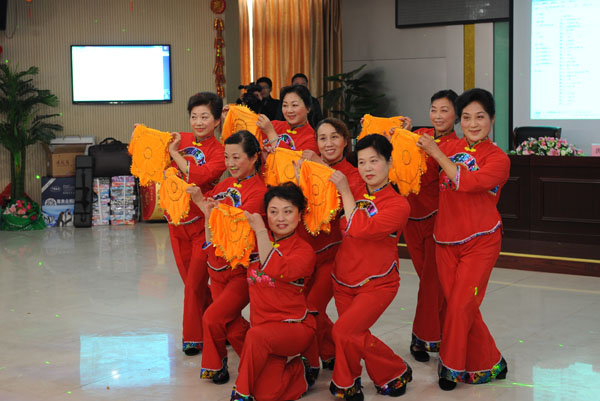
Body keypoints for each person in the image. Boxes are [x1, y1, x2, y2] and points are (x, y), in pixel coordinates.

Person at [416, 88, 509, 390]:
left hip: (481, 241)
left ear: (491, 119)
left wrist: (437, 154)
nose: (472, 124)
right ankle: (492, 361)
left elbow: (468, 182)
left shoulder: (498, 159)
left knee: (458, 307)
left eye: (479, 117)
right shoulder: (451, 146)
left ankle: (451, 369)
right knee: (464, 307)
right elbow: (416, 164)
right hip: (445, 241)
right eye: (466, 117)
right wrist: (398, 134)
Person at [328, 134, 413, 400]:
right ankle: (349, 383)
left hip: (378, 282)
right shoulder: (354, 188)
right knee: (350, 335)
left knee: (343, 331)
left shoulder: (398, 204)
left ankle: (395, 369)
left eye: (374, 161)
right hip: (343, 278)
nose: (367, 168)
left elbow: (361, 228)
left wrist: (345, 192)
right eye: (362, 162)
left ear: (389, 162)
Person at [187, 131, 268, 385]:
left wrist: (205, 207)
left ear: (253, 158)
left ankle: (223, 365)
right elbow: (211, 218)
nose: (230, 163)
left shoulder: (260, 192)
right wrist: (201, 203)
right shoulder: (224, 185)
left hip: (240, 271)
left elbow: (236, 226)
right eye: (226, 157)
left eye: (236, 157)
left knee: (212, 317)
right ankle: (259, 363)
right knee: (231, 325)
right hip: (216, 266)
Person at [230, 182, 317, 401]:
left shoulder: (304, 252)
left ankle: (240, 395)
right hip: (263, 332)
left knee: (255, 337)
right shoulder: (255, 242)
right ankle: (301, 372)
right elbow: (220, 249)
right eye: (273, 212)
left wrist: (260, 230)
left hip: (294, 328)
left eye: (288, 212)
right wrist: (206, 213)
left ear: (300, 215)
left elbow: (276, 268)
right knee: (266, 395)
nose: (280, 218)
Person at [298, 118, 362, 372]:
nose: (328, 143)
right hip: (305, 253)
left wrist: (318, 166)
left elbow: (349, 209)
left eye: (334, 137)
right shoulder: (306, 168)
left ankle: (310, 363)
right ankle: (329, 351)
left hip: (334, 255)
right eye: (322, 138)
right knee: (303, 307)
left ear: (345, 141)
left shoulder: (353, 174)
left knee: (313, 306)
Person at [166, 92, 226, 356]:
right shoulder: (181, 138)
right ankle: (223, 323)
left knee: (193, 284)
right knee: (193, 284)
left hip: (203, 224)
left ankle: (192, 337)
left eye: (205, 117)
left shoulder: (220, 152)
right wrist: (141, 135)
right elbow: (149, 150)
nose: (198, 122)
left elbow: (199, 176)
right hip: (176, 222)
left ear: (216, 121)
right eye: (194, 117)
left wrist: (173, 153)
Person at [405, 89, 459, 363]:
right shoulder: (421, 134)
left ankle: (422, 338)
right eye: (434, 109)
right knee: (429, 283)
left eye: (444, 110)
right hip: (411, 219)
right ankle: (440, 334)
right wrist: (402, 133)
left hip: (437, 220)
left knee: (431, 283)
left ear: (456, 115)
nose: (438, 116)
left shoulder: (456, 146)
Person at [257, 84, 319, 154]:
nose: (289, 110)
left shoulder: (312, 138)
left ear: (308, 108)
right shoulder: (273, 125)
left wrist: (270, 133)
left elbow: (290, 159)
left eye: (294, 105)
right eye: (285, 105)